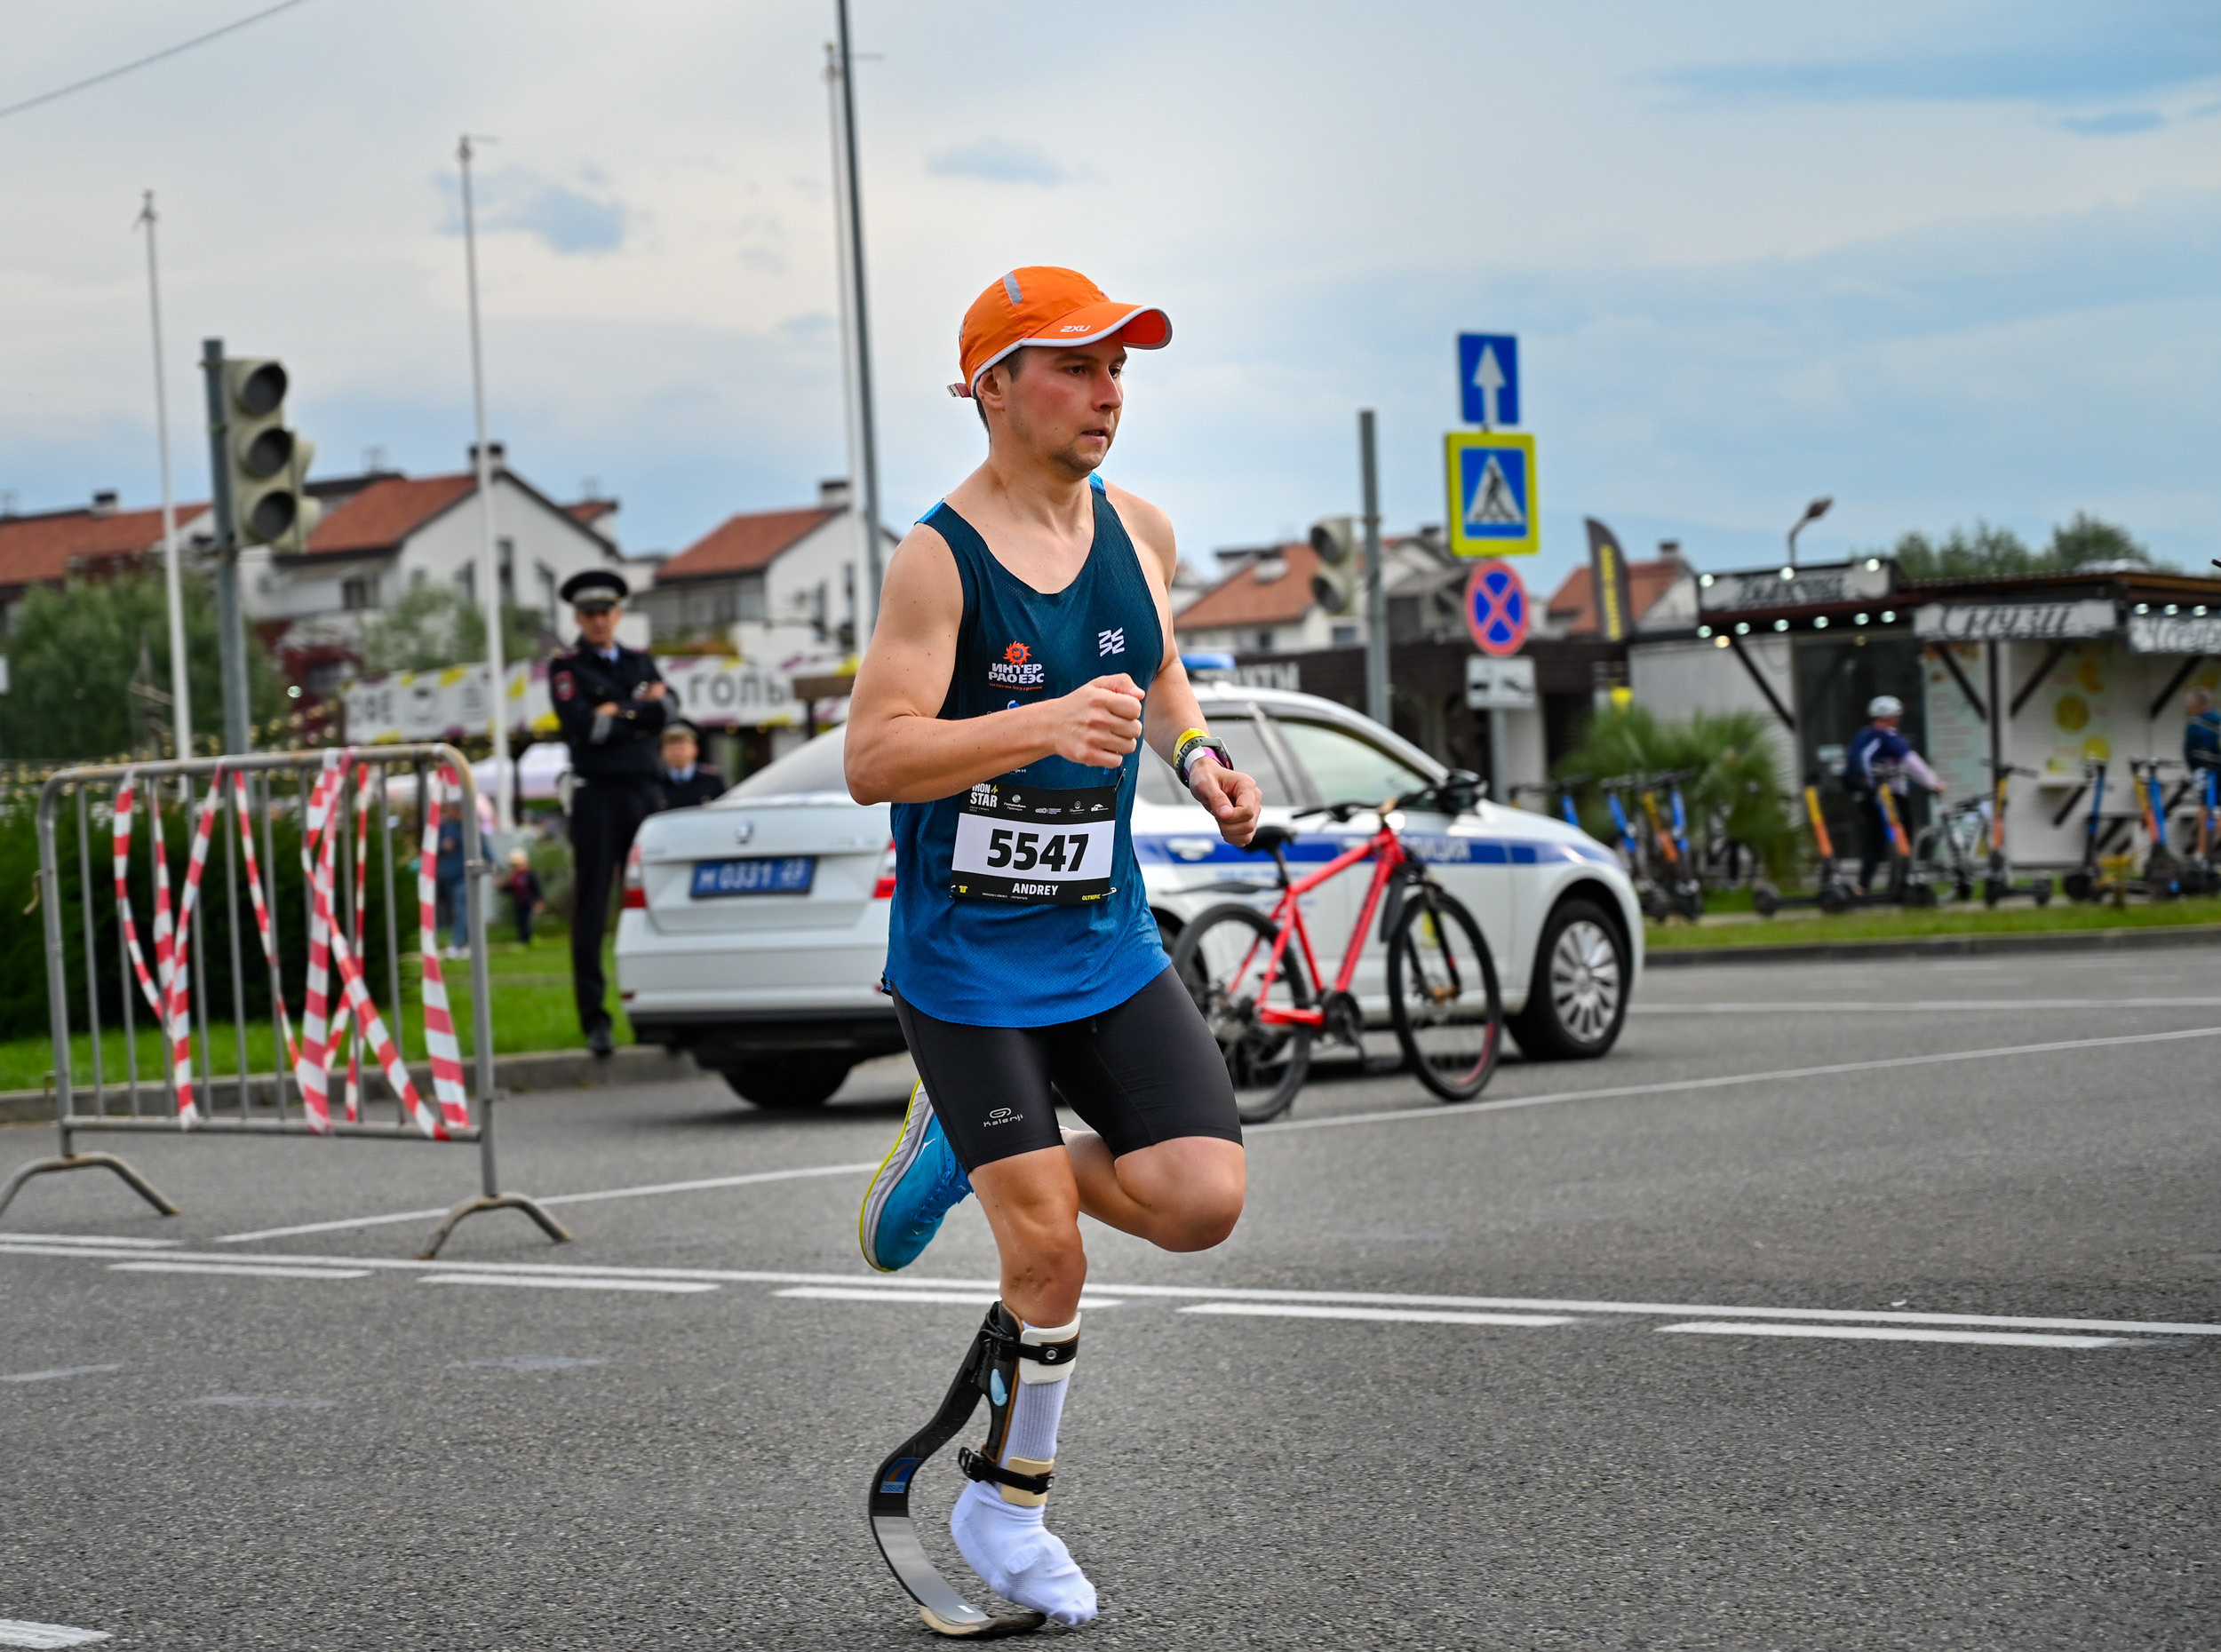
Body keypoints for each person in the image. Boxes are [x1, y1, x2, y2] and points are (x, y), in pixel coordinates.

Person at [845, 266, 1262, 1632]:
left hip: (1103, 936)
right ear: (995, 387)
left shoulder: (1139, 528)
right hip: (968, 962)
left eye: (1120, 368)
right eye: (1077, 367)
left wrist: (1195, 756)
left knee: (1202, 1199)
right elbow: (875, 757)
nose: (1108, 393)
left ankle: (964, 1149)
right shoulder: (937, 557)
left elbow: (1154, 671)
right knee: (1049, 1255)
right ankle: (1006, 1503)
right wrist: (1035, 727)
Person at [549, 568, 669, 1056]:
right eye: (589, 614)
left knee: (656, 905)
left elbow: (668, 713)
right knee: (593, 907)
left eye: (606, 612)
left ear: (618, 614)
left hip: (644, 790)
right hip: (597, 795)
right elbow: (580, 727)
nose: (599, 621)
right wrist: (636, 711)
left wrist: (614, 713)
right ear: (578, 618)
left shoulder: (640, 660)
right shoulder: (566, 668)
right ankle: (595, 1019)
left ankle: (659, 1014)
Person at [1843, 694, 1940, 895]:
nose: (1898, 718)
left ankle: (1863, 886)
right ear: (1889, 717)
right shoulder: (1890, 737)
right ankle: (1900, 882)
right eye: (1896, 714)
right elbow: (1912, 764)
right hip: (1890, 796)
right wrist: (1933, 783)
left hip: (1867, 797)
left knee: (1874, 841)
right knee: (1905, 835)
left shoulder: (1864, 736)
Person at [658, 721, 727, 808]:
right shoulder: (655, 784)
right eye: (671, 746)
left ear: (695, 749)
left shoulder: (712, 780)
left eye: (682, 746)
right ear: (662, 751)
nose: (677, 752)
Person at [435, 809, 470, 959]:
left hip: (465, 875)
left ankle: (456, 944)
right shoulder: (446, 827)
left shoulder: (469, 827)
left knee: (460, 910)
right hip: (448, 877)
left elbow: (483, 846)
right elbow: (435, 848)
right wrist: (444, 846)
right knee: (460, 911)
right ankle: (468, 943)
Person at [501, 848, 544, 946]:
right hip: (518, 903)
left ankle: (525, 939)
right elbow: (509, 889)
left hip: (528, 902)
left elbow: (536, 888)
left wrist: (539, 900)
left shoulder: (529, 875)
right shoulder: (514, 877)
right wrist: (501, 887)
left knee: (527, 921)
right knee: (520, 922)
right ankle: (523, 938)